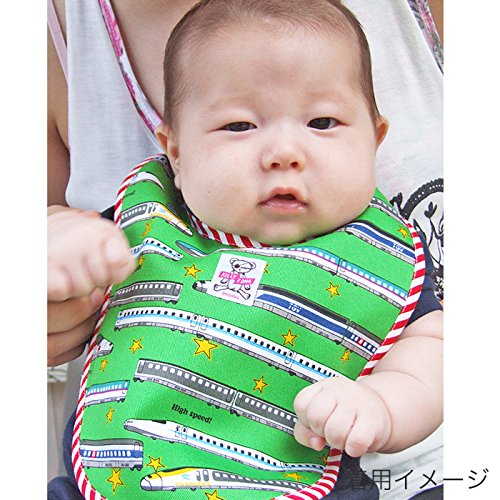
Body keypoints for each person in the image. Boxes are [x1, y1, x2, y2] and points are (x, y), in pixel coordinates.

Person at [48, 1, 443, 498]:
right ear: (175, 151)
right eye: (239, 126)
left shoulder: (375, 256)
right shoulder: (147, 222)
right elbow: (61, 259)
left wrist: (384, 404)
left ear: (375, 138)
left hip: (300, 480)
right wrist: (62, 244)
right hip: (124, 468)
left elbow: (435, 350)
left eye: (322, 122)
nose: (284, 153)